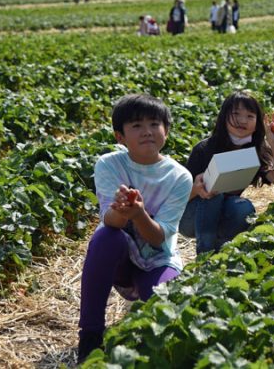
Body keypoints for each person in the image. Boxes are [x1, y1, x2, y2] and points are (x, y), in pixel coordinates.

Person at [77, 94, 193, 363]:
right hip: (120, 259)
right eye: (136, 126)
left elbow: (158, 238)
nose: (147, 132)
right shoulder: (109, 164)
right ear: (120, 137)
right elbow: (110, 221)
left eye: (154, 123)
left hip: (158, 257)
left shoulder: (179, 176)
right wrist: (121, 211)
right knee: (106, 237)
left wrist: (139, 214)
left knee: (162, 304)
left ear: (166, 130)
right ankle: (91, 334)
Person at [179, 91, 274, 255]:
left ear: (257, 123)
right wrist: (197, 189)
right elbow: (178, 199)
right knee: (214, 195)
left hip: (224, 213)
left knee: (242, 207)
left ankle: (223, 255)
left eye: (250, 116)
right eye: (235, 114)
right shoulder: (204, 149)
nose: (242, 120)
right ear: (224, 117)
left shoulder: (256, 151)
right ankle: (204, 258)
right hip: (190, 218)